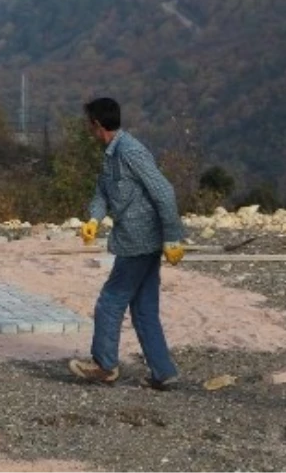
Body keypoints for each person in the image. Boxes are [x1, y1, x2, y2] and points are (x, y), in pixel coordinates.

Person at [68, 97, 187, 390]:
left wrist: (173, 236)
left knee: (109, 302)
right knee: (144, 307)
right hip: (134, 240)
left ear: (97, 125)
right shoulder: (111, 154)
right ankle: (163, 372)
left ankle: (104, 365)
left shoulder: (130, 151)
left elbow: (164, 192)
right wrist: (94, 220)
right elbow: (102, 193)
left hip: (140, 241)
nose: (88, 130)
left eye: (89, 125)